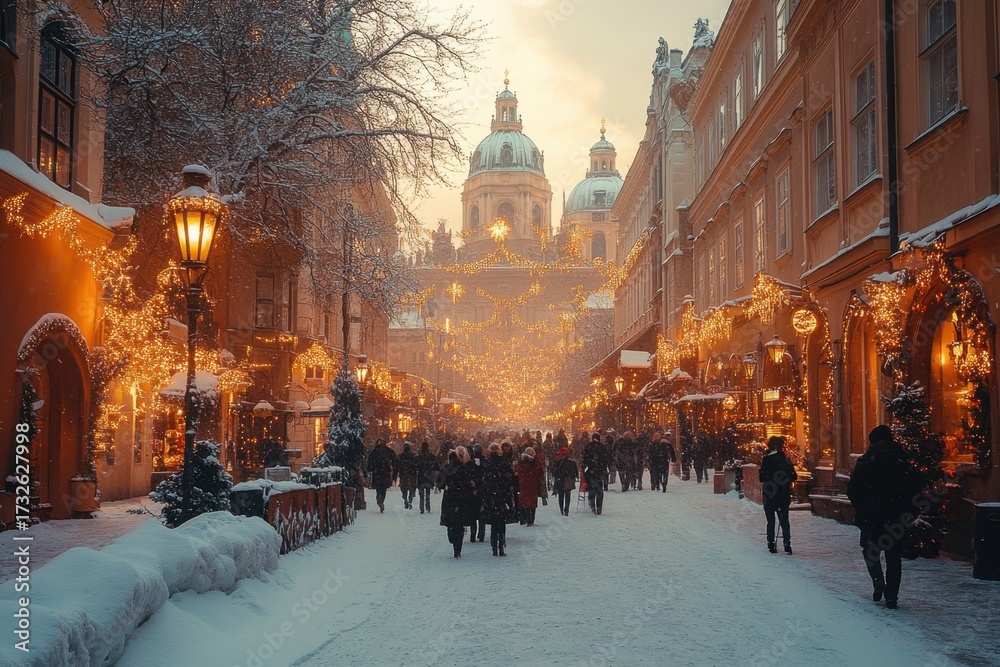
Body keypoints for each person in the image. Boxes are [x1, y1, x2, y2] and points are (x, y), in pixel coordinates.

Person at [847, 425, 922, 609]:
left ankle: (878, 582)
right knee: (894, 555)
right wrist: (910, 510)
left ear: (872, 441)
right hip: (896, 515)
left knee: (869, 550)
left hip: (871, 515)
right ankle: (892, 596)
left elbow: (853, 488)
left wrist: (861, 505)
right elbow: (914, 488)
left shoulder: (866, 461)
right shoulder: (902, 460)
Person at [758, 436, 797, 554]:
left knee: (771, 521)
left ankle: (771, 543)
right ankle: (787, 544)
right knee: (784, 520)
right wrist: (785, 481)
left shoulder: (766, 460)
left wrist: (770, 479)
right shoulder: (786, 460)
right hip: (783, 494)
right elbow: (794, 476)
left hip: (769, 494)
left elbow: (762, 478)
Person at [439, 447, 476, 558]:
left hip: (449, 498)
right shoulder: (463, 469)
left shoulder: (446, 469)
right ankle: (457, 549)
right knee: (459, 523)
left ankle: (452, 538)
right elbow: (469, 484)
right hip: (461, 499)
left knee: (451, 522)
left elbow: (440, 484)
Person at [482, 443, 515, 556]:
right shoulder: (503, 463)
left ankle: (494, 546)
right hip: (502, 494)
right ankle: (501, 546)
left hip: (491, 495)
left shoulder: (486, 463)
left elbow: (484, 480)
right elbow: (510, 478)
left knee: (493, 522)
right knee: (501, 522)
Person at [367, 439, 397, 513]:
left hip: (377, 472)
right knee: (383, 488)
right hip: (385, 472)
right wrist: (394, 472)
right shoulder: (388, 451)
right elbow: (394, 461)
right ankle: (381, 500)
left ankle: (379, 500)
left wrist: (370, 468)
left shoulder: (374, 451)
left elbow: (370, 461)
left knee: (378, 488)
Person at [516, 447, 544, 526]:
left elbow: (519, 472)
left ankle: (526, 518)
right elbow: (540, 472)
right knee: (532, 503)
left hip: (524, 484)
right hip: (533, 484)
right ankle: (531, 520)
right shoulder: (535, 463)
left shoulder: (521, 462)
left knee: (525, 502)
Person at [582, 432, 608, 515]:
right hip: (600, 471)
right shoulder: (602, 447)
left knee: (592, 488)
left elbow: (585, 459)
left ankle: (592, 505)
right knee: (600, 489)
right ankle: (599, 506)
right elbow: (605, 459)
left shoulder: (588, 447)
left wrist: (585, 466)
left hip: (591, 470)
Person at [467, 444, 486, 542]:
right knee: (481, 513)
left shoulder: (470, 463)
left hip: (473, 490)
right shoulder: (484, 461)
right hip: (482, 490)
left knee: (473, 514)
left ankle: (473, 535)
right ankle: (481, 534)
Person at [551, 446, 578, 516]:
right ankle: (566, 509)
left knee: (561, 495)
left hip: (560, 480)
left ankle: (561, 509)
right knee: (568, 495)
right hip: (568, 481)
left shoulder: (558, 461)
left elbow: (554, 471)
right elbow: (575, 471)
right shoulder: (571, 461)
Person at [415, 441, 438, 514]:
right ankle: (427, 505)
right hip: (429, 476)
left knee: (421, 494)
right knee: (428, 492)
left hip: (421, 476)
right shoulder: (431, 456)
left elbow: (415, 466)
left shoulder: (418, 457)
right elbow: (436, 466)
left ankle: (421, 507)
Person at [396, 442, 418, 509]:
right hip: (412, 474)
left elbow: (397, 466)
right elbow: (416, 465)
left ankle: (405, 499)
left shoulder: (400, 456)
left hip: (403, 474)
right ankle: (410, 501)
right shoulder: (413, 456)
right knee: (412, 488)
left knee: (404, 488)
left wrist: (396, 473)